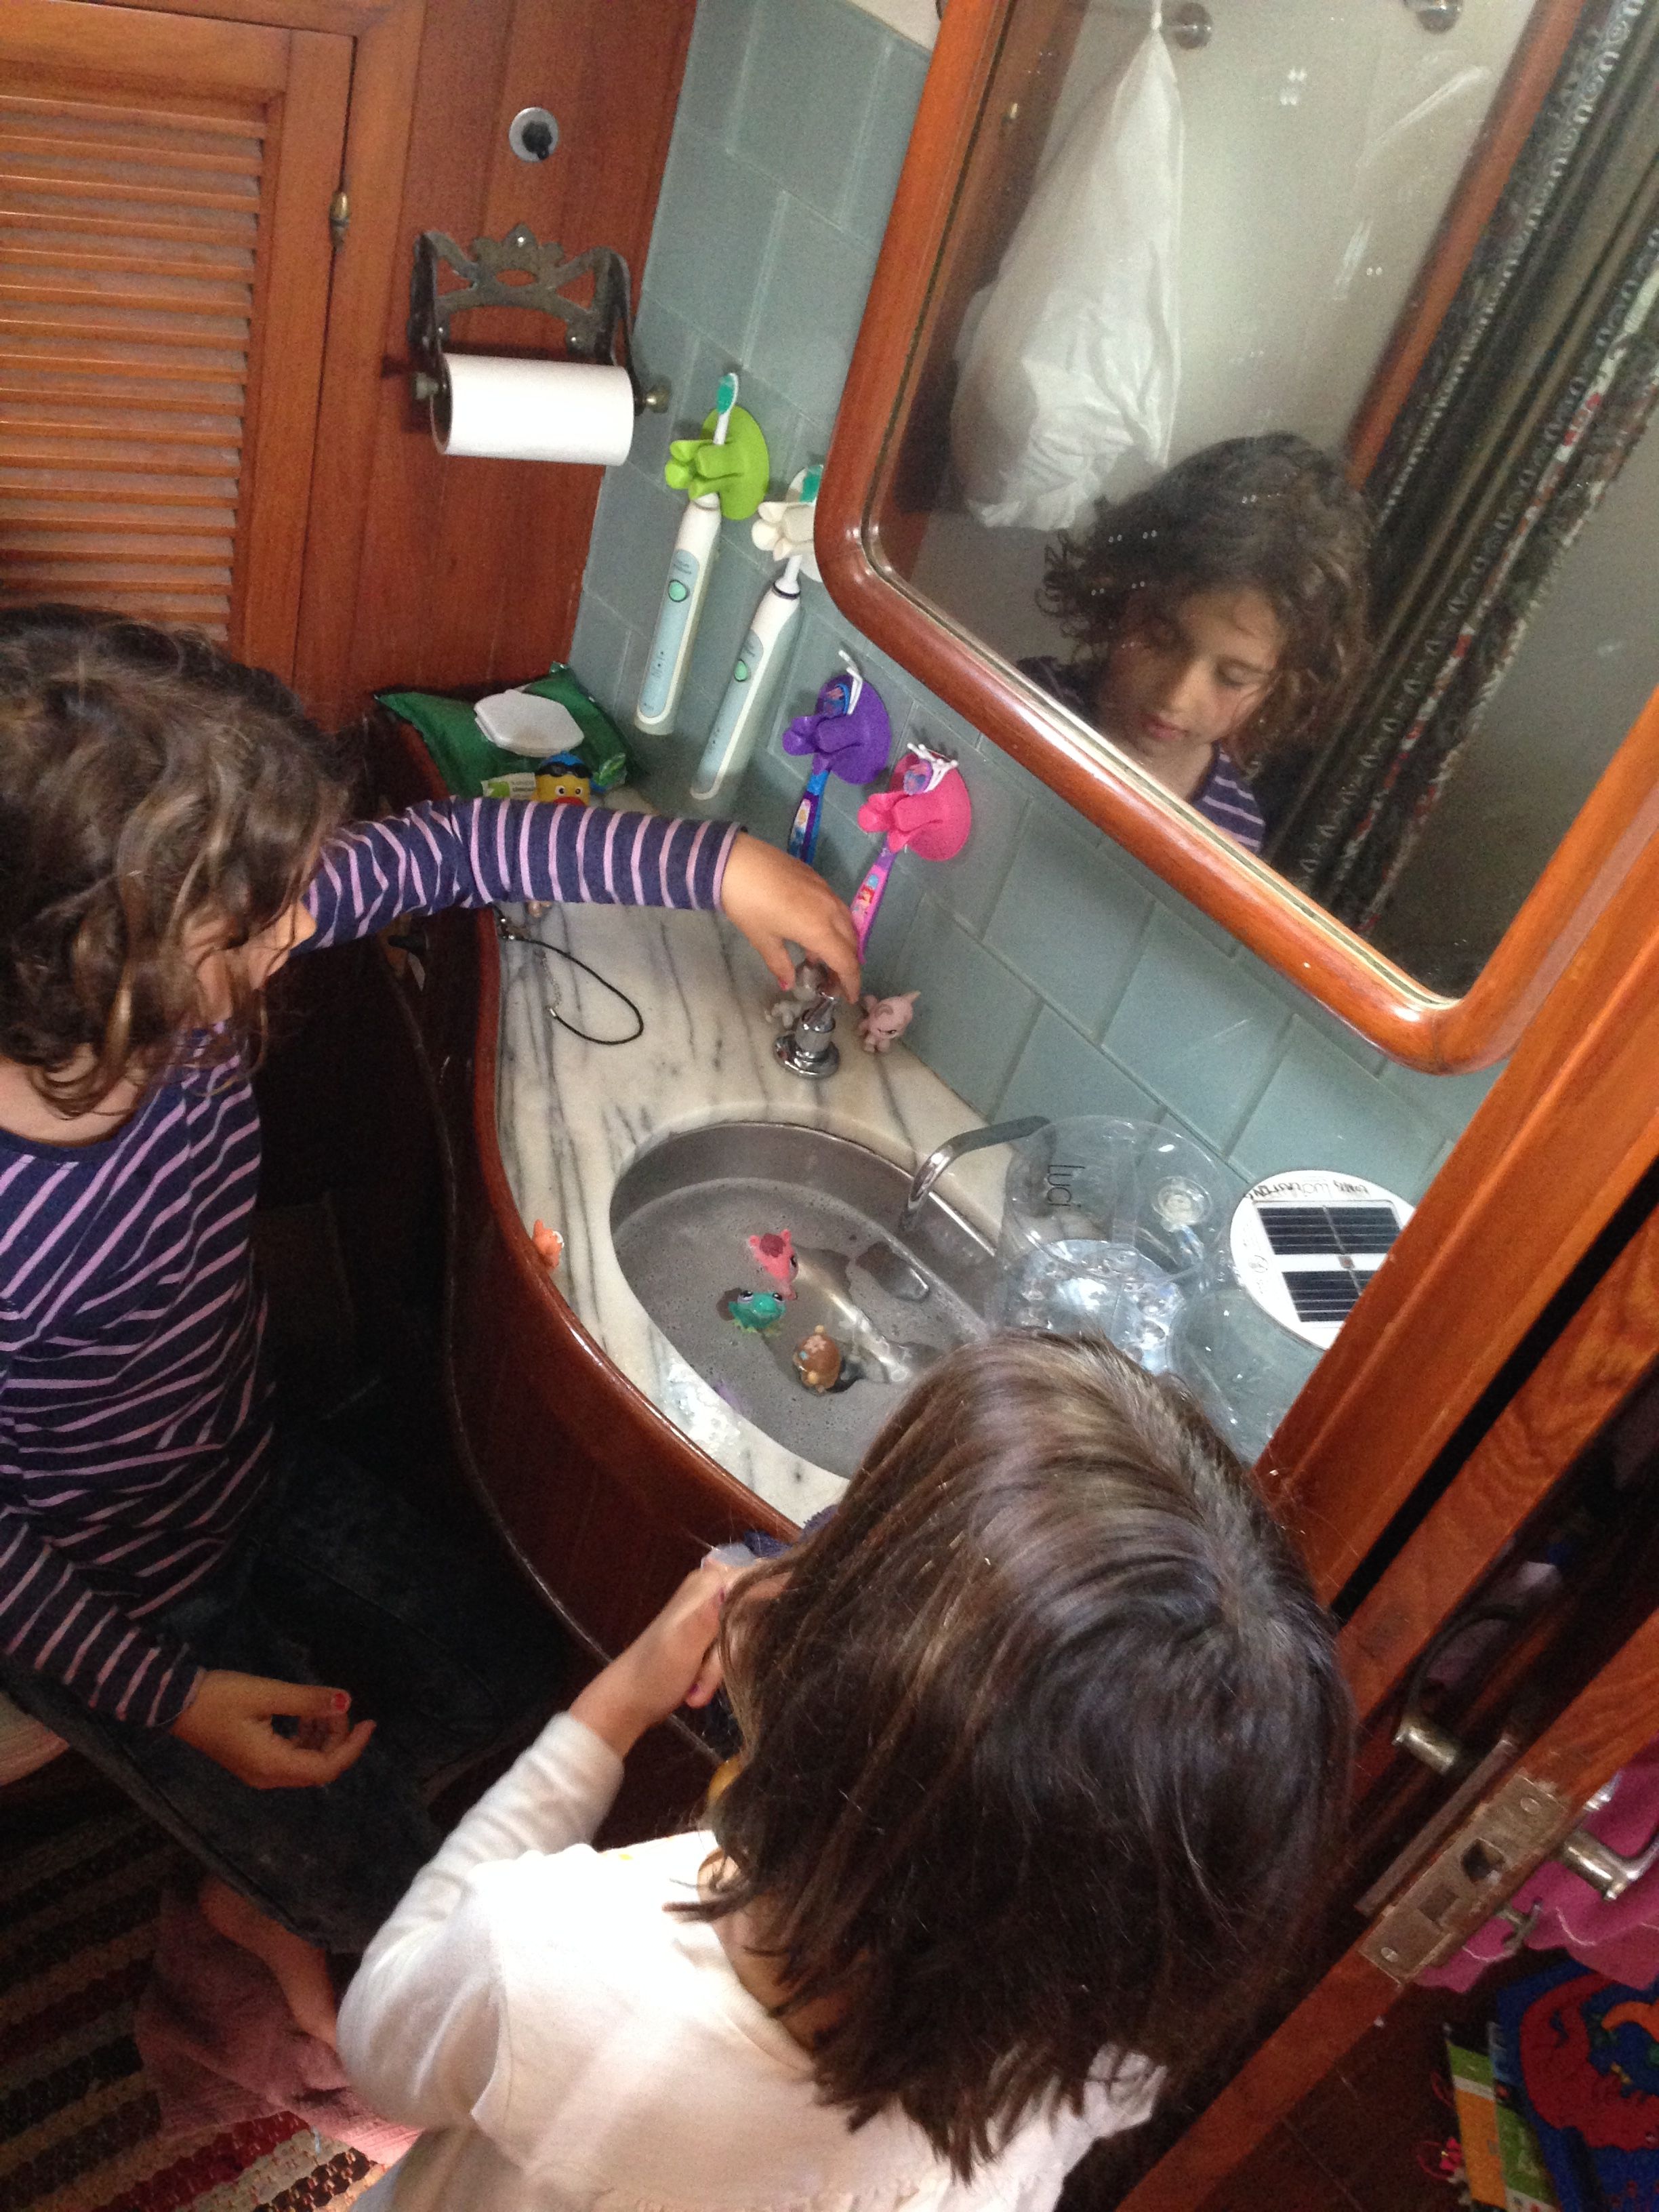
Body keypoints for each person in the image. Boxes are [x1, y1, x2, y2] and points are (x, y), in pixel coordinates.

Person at [0, 604, 860, 2046]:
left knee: (510, 1681)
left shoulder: (175, 961)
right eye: (256, 923)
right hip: (111, 1599)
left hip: (248, 1465)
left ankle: (250, 1859)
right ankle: (256, 1899)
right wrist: (172, 1697)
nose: (302, 924)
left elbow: (449, 849)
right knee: (381, 1894)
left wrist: (722, 866)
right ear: (97, 965)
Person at [338, 1331, 1353, 2212]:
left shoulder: (556, 1959)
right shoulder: (1087, 2049)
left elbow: (380, 2043)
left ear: (823, 1687)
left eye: (847, 1532)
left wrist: (614, 1708)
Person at [1023, 434, 1373, 853]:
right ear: (1122, 598)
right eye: (1159, 639)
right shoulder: (1030, 702)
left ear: (1280, 684)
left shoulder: (1234, 830)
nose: (1176, 697)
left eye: (1232, 677)